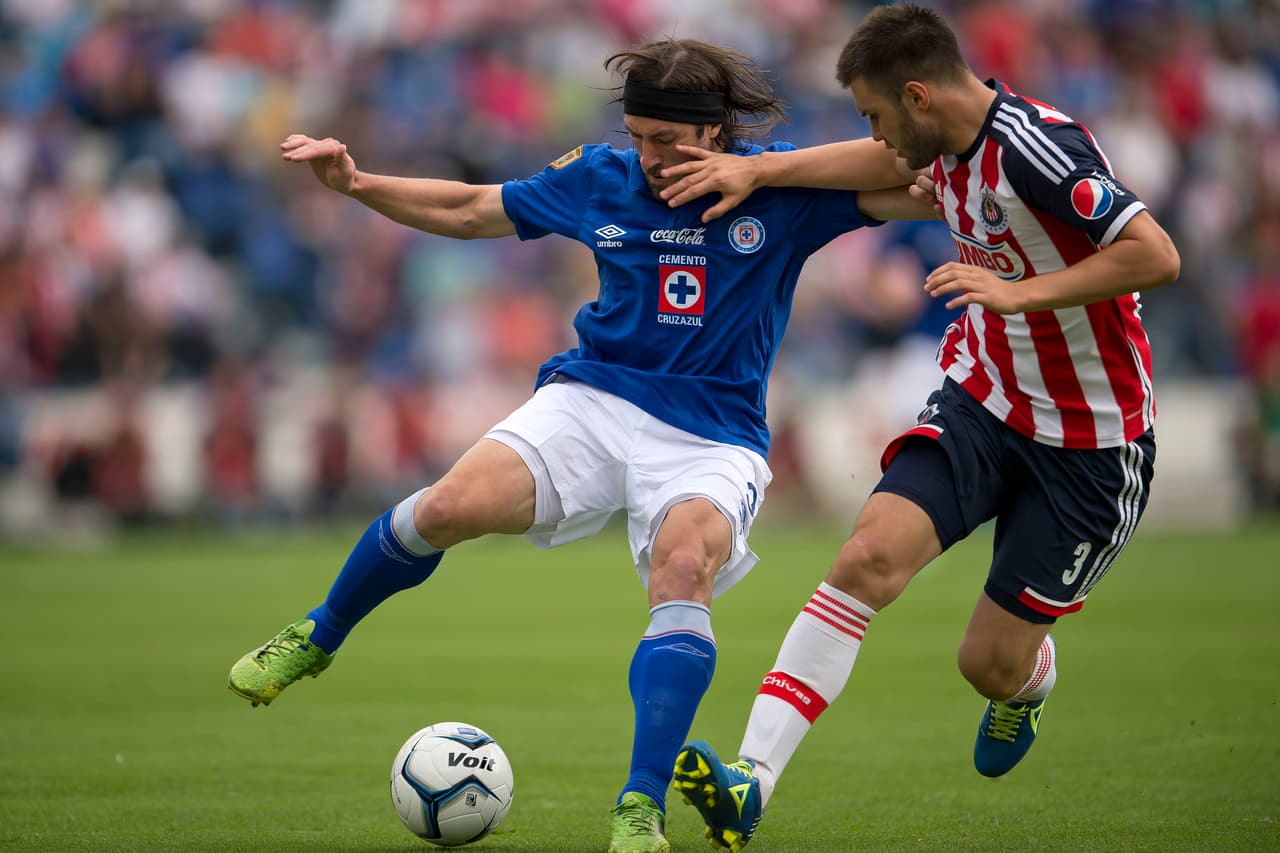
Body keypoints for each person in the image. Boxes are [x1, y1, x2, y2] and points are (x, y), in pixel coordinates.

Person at [226, 37, 928, 853]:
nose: (649, 157)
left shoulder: (779, 189)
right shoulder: (601, 176)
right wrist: (357, 183)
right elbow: (468, 210)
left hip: (712, 434)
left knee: (683, 567)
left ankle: (639, 807)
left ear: (713, 134)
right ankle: (318, 635)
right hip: (592, 400)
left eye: (667, 140)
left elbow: (911, 173)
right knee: (449, 503)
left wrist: (771, 170)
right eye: (638, 136)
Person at [655, 7, 1181, 851]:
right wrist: (766, 172)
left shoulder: (1039, 150)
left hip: (1093, 441)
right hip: (983, 400)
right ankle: (751, 781)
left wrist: (1019, 292)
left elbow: (1155, 252)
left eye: (874, 113)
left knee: (989, 665)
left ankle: (1028, 685)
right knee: (865, 556)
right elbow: (875, 163)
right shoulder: (945, 150)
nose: (874, 135)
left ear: (917, 95)